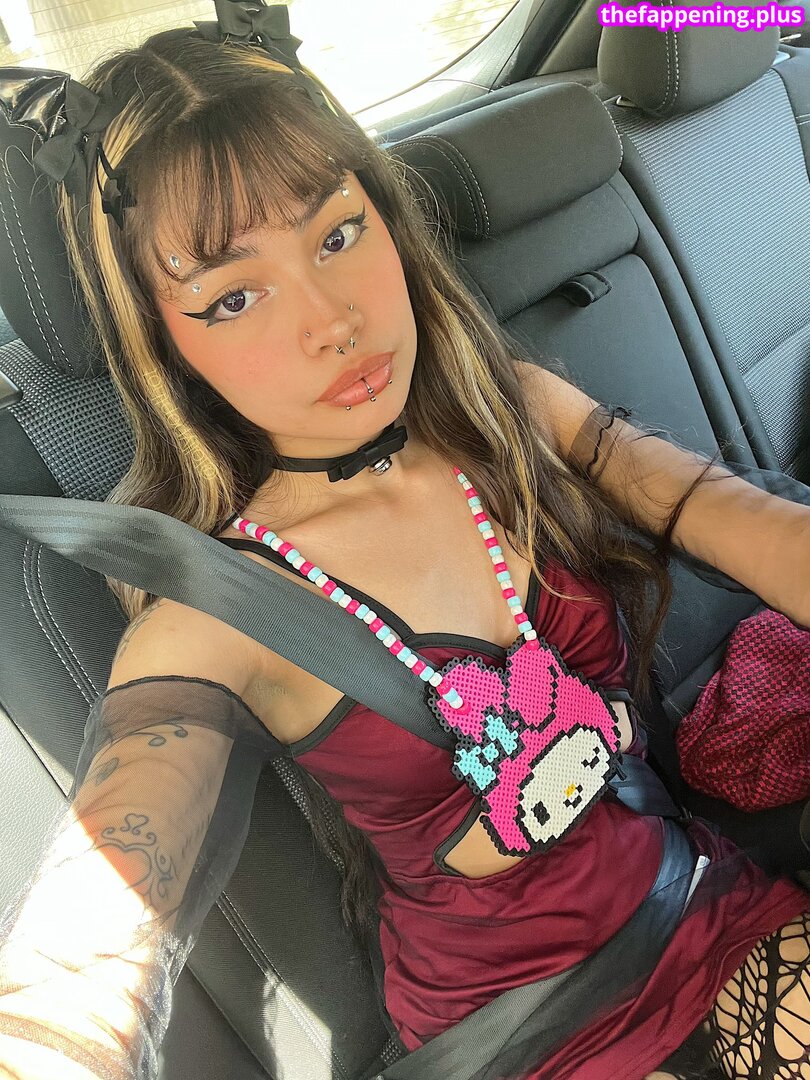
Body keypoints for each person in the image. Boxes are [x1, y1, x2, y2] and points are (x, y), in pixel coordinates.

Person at [0, 4, 808, 1079]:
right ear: (164, 342)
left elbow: (726, 511)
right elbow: (110, 875)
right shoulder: (215, 610)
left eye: (338, 234)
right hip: (523, 1033)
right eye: (233, 297)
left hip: (692, 898)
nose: (331, 319)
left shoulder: (507, 413)